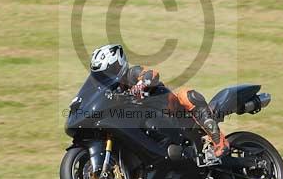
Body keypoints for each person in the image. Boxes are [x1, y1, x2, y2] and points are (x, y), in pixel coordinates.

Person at [89, 44, 228, 164]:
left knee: (188, 95)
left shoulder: (131, 74)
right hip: (146, 123)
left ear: (118, 65)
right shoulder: (111, 92)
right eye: (101, 75)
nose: (105, 77)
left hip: (173, 110)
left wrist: (138, 86)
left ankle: (218, 141)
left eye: (107, 72)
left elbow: (152, 74)